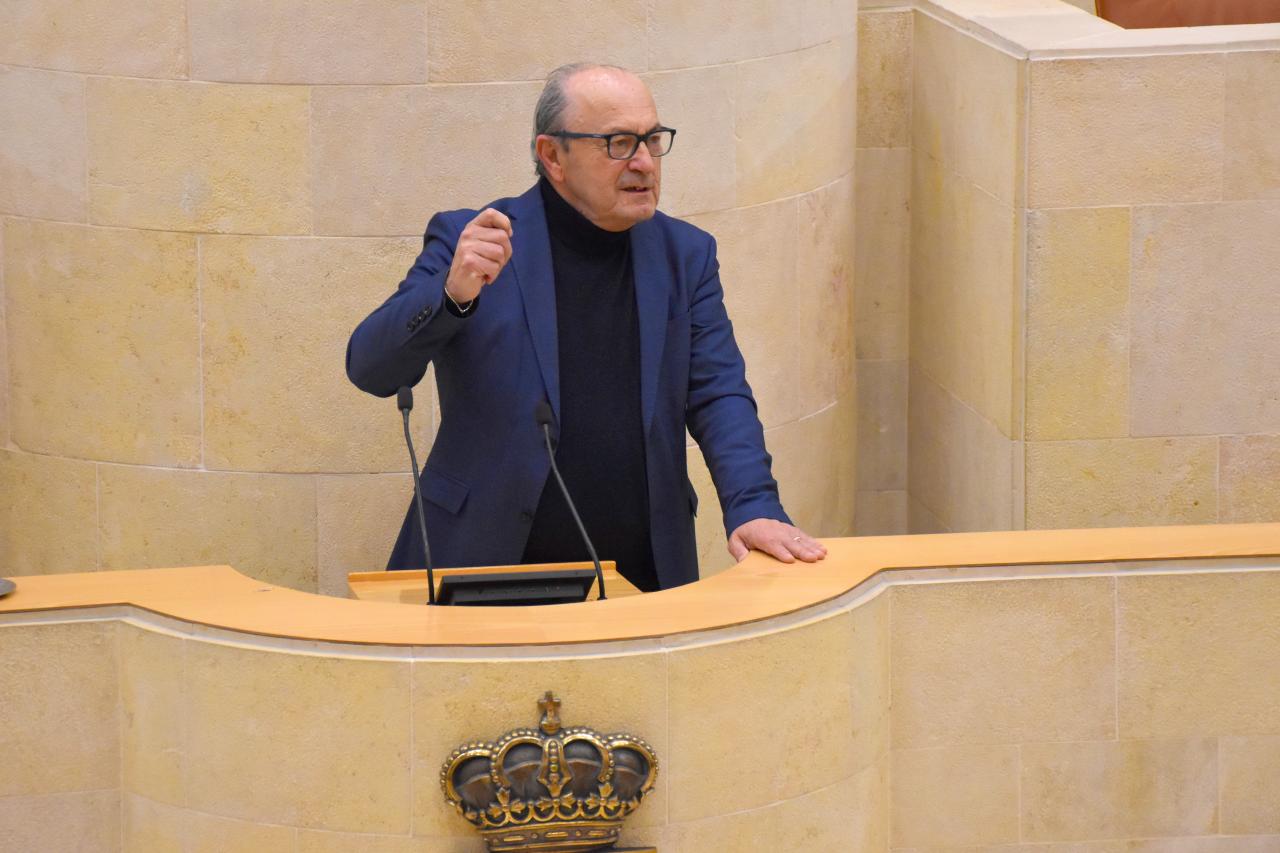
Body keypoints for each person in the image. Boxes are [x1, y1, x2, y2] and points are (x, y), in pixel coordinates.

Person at [346, 62, 826, 591]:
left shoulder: (685, 257)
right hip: (481, 565)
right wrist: (450, 295)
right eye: (619, 143)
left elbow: (719, 393)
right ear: (553, 156)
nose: (643, 162)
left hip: (639, 575)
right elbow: (370, 368)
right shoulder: (477, 241)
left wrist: (753, 505)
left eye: (652, 140)